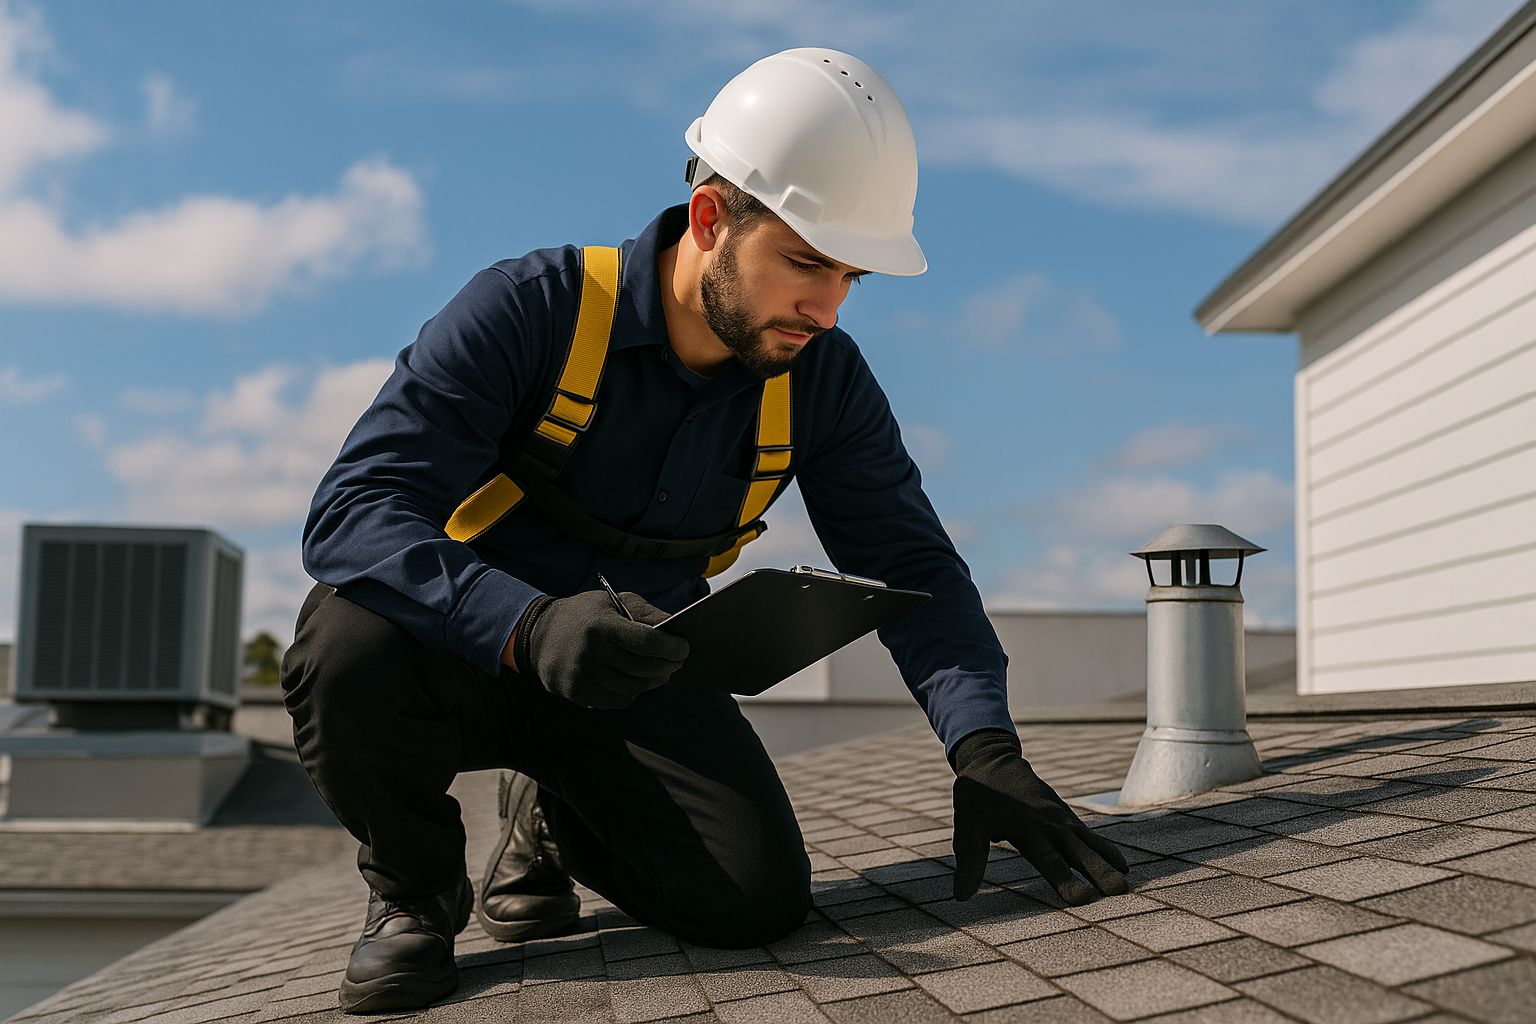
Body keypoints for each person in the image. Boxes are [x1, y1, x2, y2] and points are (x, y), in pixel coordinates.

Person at [282, 48, 1129, 1015]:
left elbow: (909, 561)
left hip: (631, 677)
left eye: (851, 274)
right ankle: (414, 895)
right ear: (711, 218)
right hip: (459, 659)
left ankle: (553, 820)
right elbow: (353, 513)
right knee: (345, 641)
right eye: (806, 263)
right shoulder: (529, 310)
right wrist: (527, 626)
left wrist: (983, 747)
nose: (829, 306)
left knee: (754, 904)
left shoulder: (823, 378)